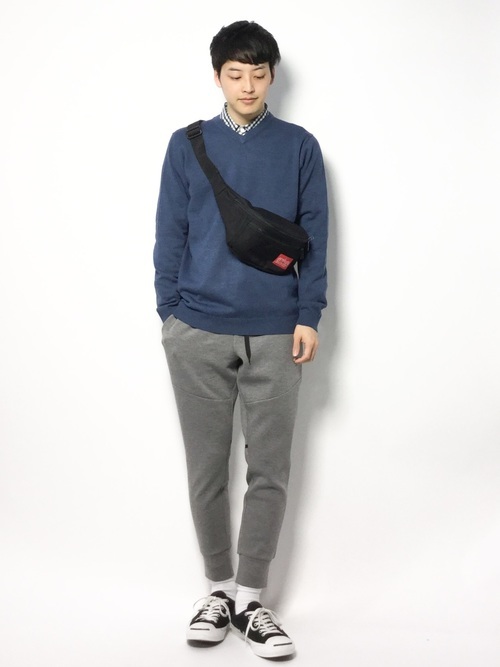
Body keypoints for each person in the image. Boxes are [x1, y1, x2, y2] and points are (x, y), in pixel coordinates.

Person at [153, 20, 328, 660]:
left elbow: (316, 234)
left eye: (258, 73)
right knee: (206, 469)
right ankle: (217, 591)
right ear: (218, 76)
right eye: (235, 73)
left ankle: (252, 601)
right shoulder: (187, 144)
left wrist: (309, 313)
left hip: (278, 331)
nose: (247, 85)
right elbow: (170, 232)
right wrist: (170, 315)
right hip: (197, 330)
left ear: (272, 76)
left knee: (269, 470)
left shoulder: (300, 146)